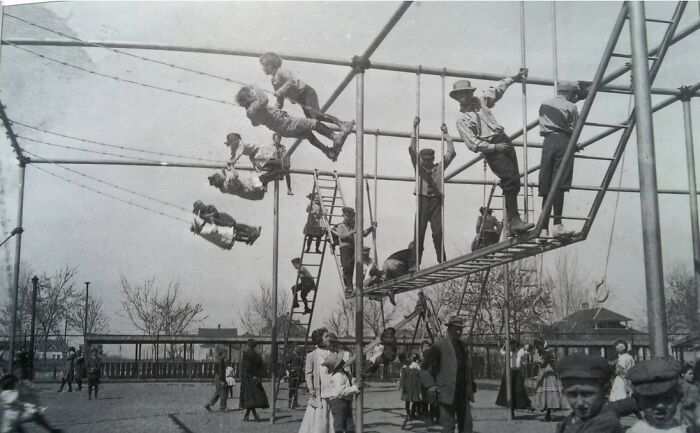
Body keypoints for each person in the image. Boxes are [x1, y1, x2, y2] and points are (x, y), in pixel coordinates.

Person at [452, 68, 534, 236]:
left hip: (503, 139)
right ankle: (514, 221)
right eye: (459, 95)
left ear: (469, 93)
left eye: (465, 93)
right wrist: (494, 148)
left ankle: (513, 222)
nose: (463, 97)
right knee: (509, 179)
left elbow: (497, 89)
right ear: (456, 97)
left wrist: (515, 78)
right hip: (493, 147)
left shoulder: (480, 102)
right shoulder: (462, 120)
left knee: (514, 180)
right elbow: (472, 143)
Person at [235, 84, 354, 161]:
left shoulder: (250, 112)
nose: (254, 95)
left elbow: (262, 118)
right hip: (285, 123)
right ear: (248, 97)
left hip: (282, 130)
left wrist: (279, 103)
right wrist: (255, 86)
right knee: (312, 123)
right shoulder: (254, 106)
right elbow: (264, 99)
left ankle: (328, 152)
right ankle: (334, 137)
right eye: (251, 94)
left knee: (308, 134)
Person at [538, 81, 584, 238]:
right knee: (559, 182)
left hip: (548, 142)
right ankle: (557, 225)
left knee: (546, 182)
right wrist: (574, 145)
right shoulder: (571, 107)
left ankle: (543, 228)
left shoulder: (545, 103)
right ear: (570, 94)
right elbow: (576, 129)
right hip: (564, 142)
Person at [408, 117, 456, 264]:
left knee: (437, 232)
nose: (427, 163)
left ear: (433, 159)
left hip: (435, 200)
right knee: (419, 232)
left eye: (430, 160)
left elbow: (451, 154)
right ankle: (415, 262)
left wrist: (447, 136)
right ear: (421, 160)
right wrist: (414, 128)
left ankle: (441, 258)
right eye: (425, 160)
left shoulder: (439, 168)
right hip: (423, 199)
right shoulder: (419, 168)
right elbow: (411, 150)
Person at [556, 352, 639, 433]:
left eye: (587, 394)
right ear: (564, 392)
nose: (580, 402)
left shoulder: (605, 424)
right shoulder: (571, 420)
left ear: (605, 391)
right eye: (572, 394)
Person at [421, 316, 476, 433]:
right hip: (446, 392)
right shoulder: (439, 346)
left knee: (467, 425)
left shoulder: (463, 346)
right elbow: (424, 366)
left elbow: (466, 366)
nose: (458, 331)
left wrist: (471, 382)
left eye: (460, 329)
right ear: (449, 329)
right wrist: (430, 385)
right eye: (455, 328)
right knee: (448, 427)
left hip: (463, 393)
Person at [1, 351, 63, 433]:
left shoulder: (18, 389)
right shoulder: (10, 394)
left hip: (13, 423)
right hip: (9, 427)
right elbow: (31, 412)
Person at [627, 359, 685, 432]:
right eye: (651, 399)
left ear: (678, 399)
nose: (660, 406)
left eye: (668, 398)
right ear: (638, 401)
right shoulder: (636, 431)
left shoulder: (686, 429)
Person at [299, 327, 334, 433]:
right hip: (319, 392)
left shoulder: (333, 354)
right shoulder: (312, 355)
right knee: (320, 417)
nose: (329, 338)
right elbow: (308, 374)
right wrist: (311, 389)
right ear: (319, 339)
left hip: (332, 390)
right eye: (326, 336)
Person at [335, 207, 376, 294]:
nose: (348, 218)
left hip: (353, 248)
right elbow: (342, 236)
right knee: (347, 267)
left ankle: (352, 285)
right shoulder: (340, 226)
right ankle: (348, 287)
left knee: (352, 266)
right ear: (343, 216)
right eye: (346, 216)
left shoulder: (353, 226)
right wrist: (352, 231)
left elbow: (363, 233)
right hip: (345, 248)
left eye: (349, 216)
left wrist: (371, 228)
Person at [191, 200, 261, 246]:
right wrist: (201, 225)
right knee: (232, 234)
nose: (201, 206)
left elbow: (215, 212)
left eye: (201, 204)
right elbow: (205, 221)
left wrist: (209, 216)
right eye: (199, 206)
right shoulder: (202, 215)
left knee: (235, 226)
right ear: (198, 208)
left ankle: (252, 230)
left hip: (222, 218)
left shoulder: (208, 207)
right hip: (219, 224)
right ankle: (248, 237)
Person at [323, 351, 362, 433]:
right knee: (339, 424)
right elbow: (341, 392)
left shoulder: (344, 372)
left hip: (345, 401)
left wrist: (355, 381)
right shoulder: (338, 375)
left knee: (349, 424)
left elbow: (349, 381)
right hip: (338, 402)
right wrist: (355, 387)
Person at [496, 339, 534, 417]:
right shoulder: (507, 353)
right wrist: (503, 345)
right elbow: (501, 351)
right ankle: (511, 410)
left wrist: (528, 346)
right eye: (511, 345)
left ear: (517, 346)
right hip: (509, 372)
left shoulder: (520, 352)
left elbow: (529, 350)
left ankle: (527, 404)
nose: (512, 346)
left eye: (514, 345)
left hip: (517, 372)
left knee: (519, 389)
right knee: (509, 391)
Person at [533, 338, 563, 422]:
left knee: (548, 392)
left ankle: (548, 414)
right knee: (543, 392)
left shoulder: (547, 352)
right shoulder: (541, 352)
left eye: (538, 346)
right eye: (536, 346)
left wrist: (538, 360)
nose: (537, 348)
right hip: (543, 373)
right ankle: (547, 413)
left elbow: (544, 363)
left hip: (548, 373)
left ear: (541, 345)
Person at [239, 340, 269, 421]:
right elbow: (262, 367)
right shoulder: (257, 355)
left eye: (247, 345)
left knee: (250, 397)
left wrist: (253, 375)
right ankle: (251, 415)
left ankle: (251, 415)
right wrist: (258, 376)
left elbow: (247, 367)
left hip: (248, 378)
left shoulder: (246, 354)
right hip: (255, 378)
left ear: (249, 346)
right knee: (252, 397)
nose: (246, 346)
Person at [208, 167, 276, 201]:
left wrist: (224, 171)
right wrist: (232, 167)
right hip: (249, 187)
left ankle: (264, 186)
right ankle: (281, 171)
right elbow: (236, 175)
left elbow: (223, 178)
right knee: (265, 177)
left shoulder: (222, 189)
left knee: (264, 178)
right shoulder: (228, 182)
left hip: (248, 193)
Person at [419, 340, 440, 425]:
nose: (427, 348)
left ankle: (434, 417)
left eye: (428, 346)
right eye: (425, 346)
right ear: (422, 349)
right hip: (425, 381)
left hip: (432, 381)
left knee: (433, 400)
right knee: (425, 401)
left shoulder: (430, 356)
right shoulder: (423, 357)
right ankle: (428, 417)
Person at [399, 353, 423, 421]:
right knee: (407, 400)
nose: (406, 360)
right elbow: (402, 377)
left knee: (415, 400)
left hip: (415, 385)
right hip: (407, 385)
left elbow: (420, 373)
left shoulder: (415, 364)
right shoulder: (403, 367)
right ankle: (408, 413)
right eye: (403, 361)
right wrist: (402, 386)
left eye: (407, 358)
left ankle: (413, 413)